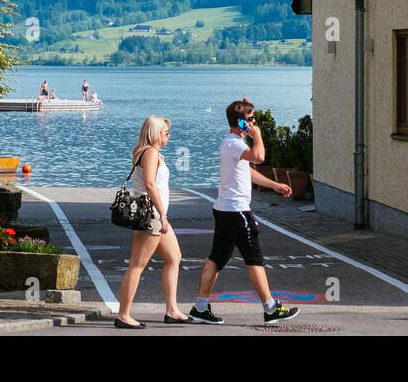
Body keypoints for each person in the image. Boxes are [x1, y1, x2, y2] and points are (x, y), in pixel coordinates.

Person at [189, 98, 299, 325]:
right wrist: (257, 135)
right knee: (254, 259)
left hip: (224, 210)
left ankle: (200, 307)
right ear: (241, 123)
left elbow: (248, 171)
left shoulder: (232, 145)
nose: (254, 122)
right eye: (250, 120)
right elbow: (260, 157)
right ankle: (270, 309)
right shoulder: (234, 144)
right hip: (237, 212)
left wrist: (275, 185)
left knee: (216, 259)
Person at [115, 115, 190, 328]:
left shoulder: (152, 153)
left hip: (157, 216)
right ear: (156, 133)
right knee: (137, 265)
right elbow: (149, 184)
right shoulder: (150, 153)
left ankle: (172, 310)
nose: (169, 135)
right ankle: (123, 315)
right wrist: (162, 215)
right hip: (154, 217)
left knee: (174, 257)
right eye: (166, 132)